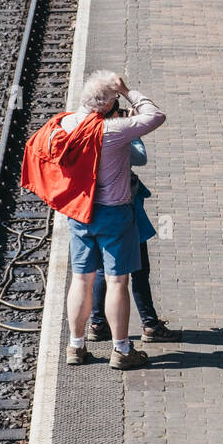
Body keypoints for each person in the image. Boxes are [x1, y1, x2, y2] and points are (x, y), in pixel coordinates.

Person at [57, 71, 165, 369]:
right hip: (115, 214)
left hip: (79, 213)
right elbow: (156, 115)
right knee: (118, 281)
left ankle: (75, 347)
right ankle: (121, 350)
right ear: (107, 105)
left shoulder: (67, 123)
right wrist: (128, 90)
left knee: (81, 279)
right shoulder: (116, 130)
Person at [88, 138, 181, 344]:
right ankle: (150, 325)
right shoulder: (116, 136)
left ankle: (97, 323)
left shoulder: (86, 135)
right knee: (139, 271)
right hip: (124, 212)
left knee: (104, 270)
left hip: (96, 212)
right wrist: (131, 128)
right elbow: (140, 156)